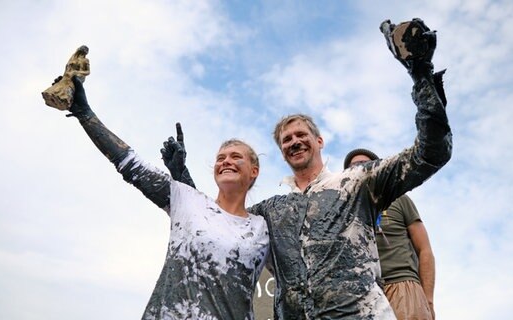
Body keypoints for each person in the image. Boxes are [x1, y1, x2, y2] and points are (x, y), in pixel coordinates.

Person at [164, 18, 451, 319]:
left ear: (319, 141)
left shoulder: (357, 182)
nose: (294, 141)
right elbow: (218, 224)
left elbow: (431, 153)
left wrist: (421, 76)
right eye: (287, 139)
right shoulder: (271, 211)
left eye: (301, 135)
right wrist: (180, 175)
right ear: (282, 152)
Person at [48, 76, 269, 320]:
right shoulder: (188, 200)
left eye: (236, 156)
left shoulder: (263, 228)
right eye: (220, 158)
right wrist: (84, 113)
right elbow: (130, 163)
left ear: (254, 171)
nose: (226, 161)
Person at [344, 149, 436, 320]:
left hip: (402, 287)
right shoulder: (343, 212)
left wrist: (428, 300)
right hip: (363, 295)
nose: (360, 168)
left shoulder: (399, 199)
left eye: (366, 164)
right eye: (354, 166)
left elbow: (424, 249)